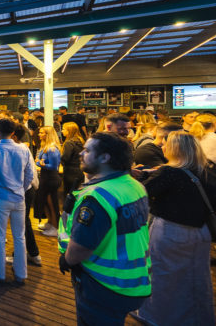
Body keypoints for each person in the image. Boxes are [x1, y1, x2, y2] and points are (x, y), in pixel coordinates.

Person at [58, 132, 150, 326]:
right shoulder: (134, 185)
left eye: (87, 150)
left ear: (104, 157)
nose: (81, 153)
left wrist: (66, 259)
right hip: (135, 279)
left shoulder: (98, 197)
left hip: (104, 284)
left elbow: (81, 247)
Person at [133, 131, 216, 325]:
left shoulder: (169, 172)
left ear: (174, 149)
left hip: (170, 231)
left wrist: (136, 175)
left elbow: (142, 192)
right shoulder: (207, 171)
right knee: (196, 277)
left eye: (166, 143)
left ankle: (159, 318)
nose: (162, 146)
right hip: (201, 233)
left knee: (163, 276)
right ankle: (195, 318)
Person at [0, 118, 35, 284]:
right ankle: (21, 274)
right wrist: (21, 189)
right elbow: (30, 175)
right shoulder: (24, 149)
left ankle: (0, 273)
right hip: (18, 198)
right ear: (13, 132)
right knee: (19, 237)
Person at [6, 124, 41, 267]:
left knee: (21, 224)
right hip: (28, 189)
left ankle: (29, 255)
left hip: (24, 190)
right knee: (23, 222)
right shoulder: (23, 149)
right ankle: (32, 254)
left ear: (13, 136)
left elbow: (26, 175)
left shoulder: (17, 150)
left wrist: (19, 190)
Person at [34, 126, 61, 237]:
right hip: (45, 178)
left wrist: (40, 163)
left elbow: (54, 166)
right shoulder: (45, 147)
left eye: (41, 133)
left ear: (47, 134)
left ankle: (56, 227)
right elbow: (38, 161)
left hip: (51, 179)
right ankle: (50, 223)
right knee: (45, 202)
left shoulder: (52, 148)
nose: (39, 134)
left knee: (52, 204)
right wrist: (40, 163)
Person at [60, 122, 85, 198]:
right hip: (79, 171)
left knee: (69, 195)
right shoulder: (81, 141)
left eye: (63, 129)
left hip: (70, 172)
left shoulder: (69, 143)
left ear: (69, 131)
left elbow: (65, 158)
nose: (62, 131)